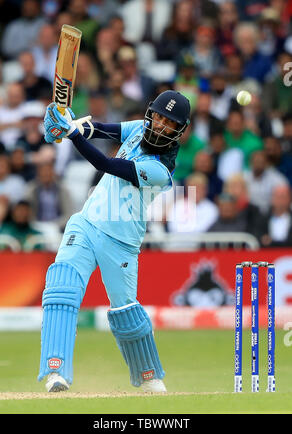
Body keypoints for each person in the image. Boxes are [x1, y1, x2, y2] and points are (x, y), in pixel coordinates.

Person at [39, 90, 191, 393]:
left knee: (125, 311)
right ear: (150, 113)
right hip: (86, 222)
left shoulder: (161, 170)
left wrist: (72, 135)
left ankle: (148, 375)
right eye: (158, 116)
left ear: (179, 131)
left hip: (121, 241)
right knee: (61, 287)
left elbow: (106, 165)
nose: (160, 125)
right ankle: (55, 371)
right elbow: (101, 129)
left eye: (169, 123)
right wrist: (69, 124)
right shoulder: (138, 128)